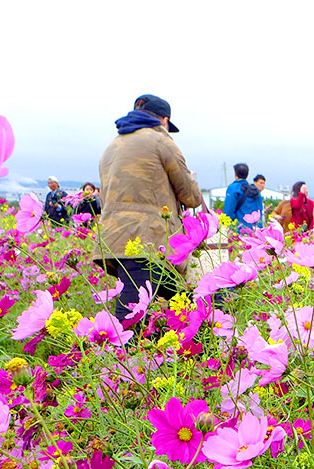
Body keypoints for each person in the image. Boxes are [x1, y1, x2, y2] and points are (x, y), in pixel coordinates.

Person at [96, 94, 202, 322]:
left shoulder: (112, 146)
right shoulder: (160, 141)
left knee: (173, 301)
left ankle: (178, 349)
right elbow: (190, 196)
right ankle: (128, 355)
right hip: (149, 237)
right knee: (133, 310)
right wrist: (192, 180)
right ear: (164, 120)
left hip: (115, 238)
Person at [223, 163, 263, 231]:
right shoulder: (256, 191)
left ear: (235, 174)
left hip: (239, 229)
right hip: (254, 230)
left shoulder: (233, 188)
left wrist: (228, 226)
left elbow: (229, 210)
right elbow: (260, 211)